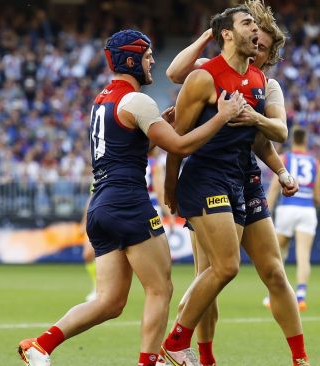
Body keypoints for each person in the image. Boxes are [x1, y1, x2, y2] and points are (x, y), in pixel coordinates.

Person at [16, 29, 245, 366]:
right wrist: (223, 117)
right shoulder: (138, 101)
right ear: (131, 59)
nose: (152, 60)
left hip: (101, 204)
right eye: (147, 55)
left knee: (109, 301)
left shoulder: (102, 100)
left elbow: (128, 147)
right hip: (128, 200)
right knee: (160, 289)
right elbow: (179, 147)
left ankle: (41, 345)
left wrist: (157, 127)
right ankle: (148, 362)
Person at [162, 2, 309, 365]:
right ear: (229, 34)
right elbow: (176, 135)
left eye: (262, 37)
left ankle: (301, 358)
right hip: (207, 176)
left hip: (246, 179)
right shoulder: (206, 74)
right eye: (250, 28)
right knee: (218, 270)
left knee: (270, 270)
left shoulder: (262, 83)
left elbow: (265, 138)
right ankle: (185, 347)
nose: (256, 37)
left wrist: (282, 172)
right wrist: (170, 189)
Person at [267, 127, 320, 311]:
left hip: (287, 208)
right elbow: (318, 198)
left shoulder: (285, 159)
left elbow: (275, 187)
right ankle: (301, 296)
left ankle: (273, 294)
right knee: (303, 255)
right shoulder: (314, 163)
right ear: (305, 141)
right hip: (307, 209)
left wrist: (267, 208)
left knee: (277, 252)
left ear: (292, 141)